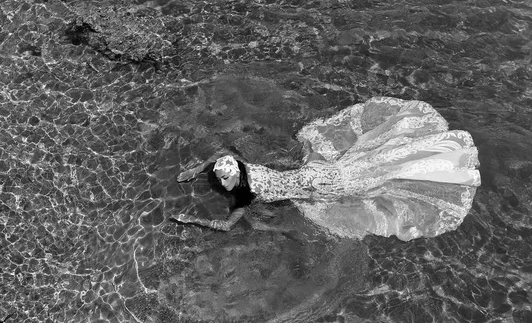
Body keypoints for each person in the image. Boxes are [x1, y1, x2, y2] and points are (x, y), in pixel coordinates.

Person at [175, 97, 481, 240]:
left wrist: (190, 220)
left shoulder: (244, 198)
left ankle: (432, 169)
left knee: (374, 184)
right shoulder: (242, 167)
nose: (221, 178)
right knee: (366, 167)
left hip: (318, 188)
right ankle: (424, 158)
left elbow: (227, 226)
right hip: (313, 175)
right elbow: (221, 155)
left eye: (221, 178)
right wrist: (197, 169)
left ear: (233, 180)